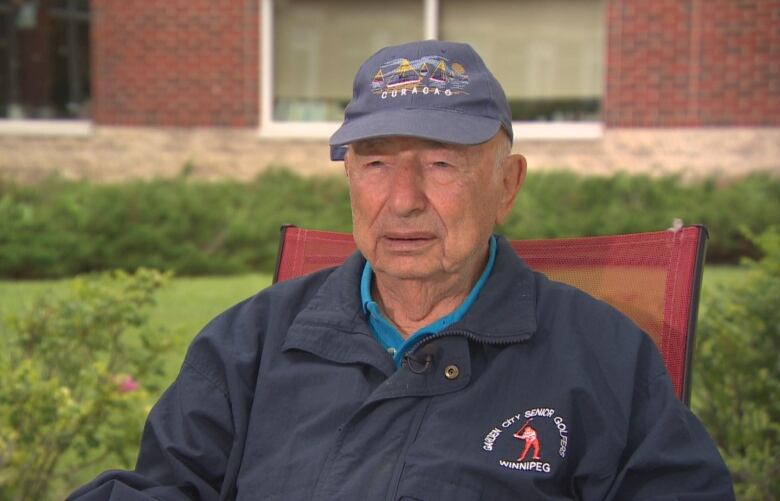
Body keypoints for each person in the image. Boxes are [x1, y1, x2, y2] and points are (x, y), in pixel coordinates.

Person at [70, 40, 734, 500]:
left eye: (442, 163)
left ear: (507, 184)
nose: (404, 198)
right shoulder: (251, 342)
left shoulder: (603, 356)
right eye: (376, 162)